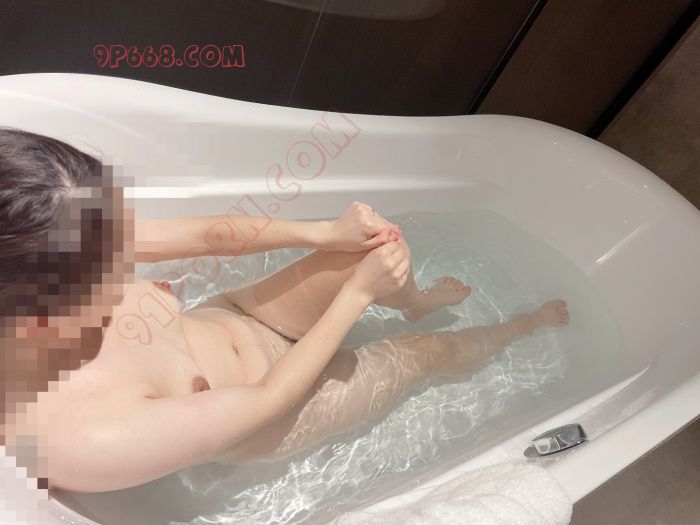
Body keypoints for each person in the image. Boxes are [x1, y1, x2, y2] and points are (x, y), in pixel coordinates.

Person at [0, 127, 569, 494]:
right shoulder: (78, 437)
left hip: (240, 314)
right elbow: (265, 400)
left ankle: (414, 303)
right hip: (280, 408)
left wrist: (323, 232)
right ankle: (523, 326)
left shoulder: (52, 236)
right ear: (41, 317)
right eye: (110, 273)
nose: (127, 261)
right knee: (428, 352)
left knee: (363, 253)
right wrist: (357, 296)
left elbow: (203, 234)